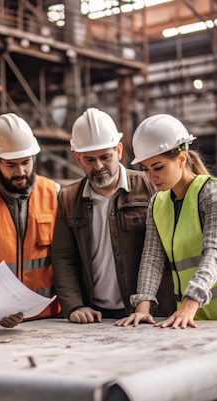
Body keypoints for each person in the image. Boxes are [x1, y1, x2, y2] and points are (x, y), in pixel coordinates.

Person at [117, 114, 217, 329]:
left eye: (158, 167)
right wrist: (143, 306)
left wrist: (190, 303)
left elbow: (215, 252)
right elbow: (152, 258)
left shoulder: (213, 192)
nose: (151, 176)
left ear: (182, 159)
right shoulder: (158, 202)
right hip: (192, 315)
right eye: (146, 169)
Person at [51, 108, 176, 323]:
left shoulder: (150, 187)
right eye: (89, 159)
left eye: (105, 157)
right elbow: (63, 258)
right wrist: (74, 306)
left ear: (118, 150)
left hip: (151, 313)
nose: (98, 166)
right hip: (96, 315)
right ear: (77, 158)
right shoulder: (68, 199)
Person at [0, 113, 61, 321]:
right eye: (11, 165)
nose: (21, 172)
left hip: (49, 317)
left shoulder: (53, 193)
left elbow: (67, 259)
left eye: (26, 162)